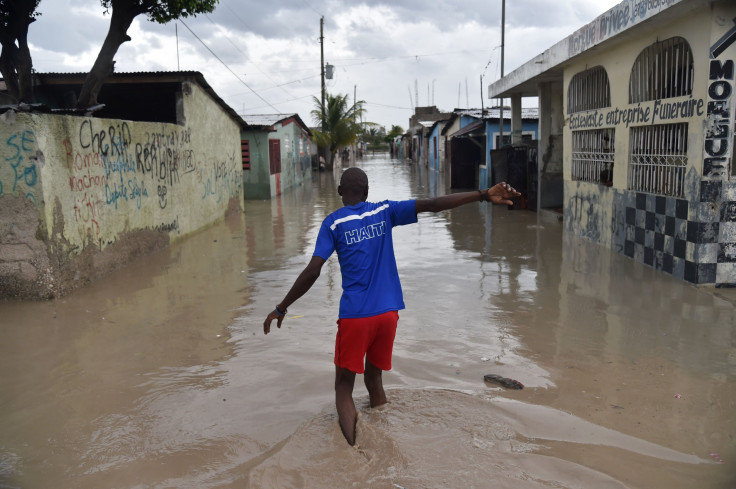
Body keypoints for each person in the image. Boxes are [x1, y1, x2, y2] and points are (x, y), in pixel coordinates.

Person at [263, 168, 520, 446]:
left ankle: (354, 453)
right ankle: (383, 437)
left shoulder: (332, 224)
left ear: (339, 191)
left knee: (342, 388)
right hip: (388, 315)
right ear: (367, 193)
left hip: (356, 317)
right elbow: (433, 205)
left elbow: (313, 270)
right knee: (374, 381)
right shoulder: (384, 211)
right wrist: (482, 195)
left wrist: (282, 307)